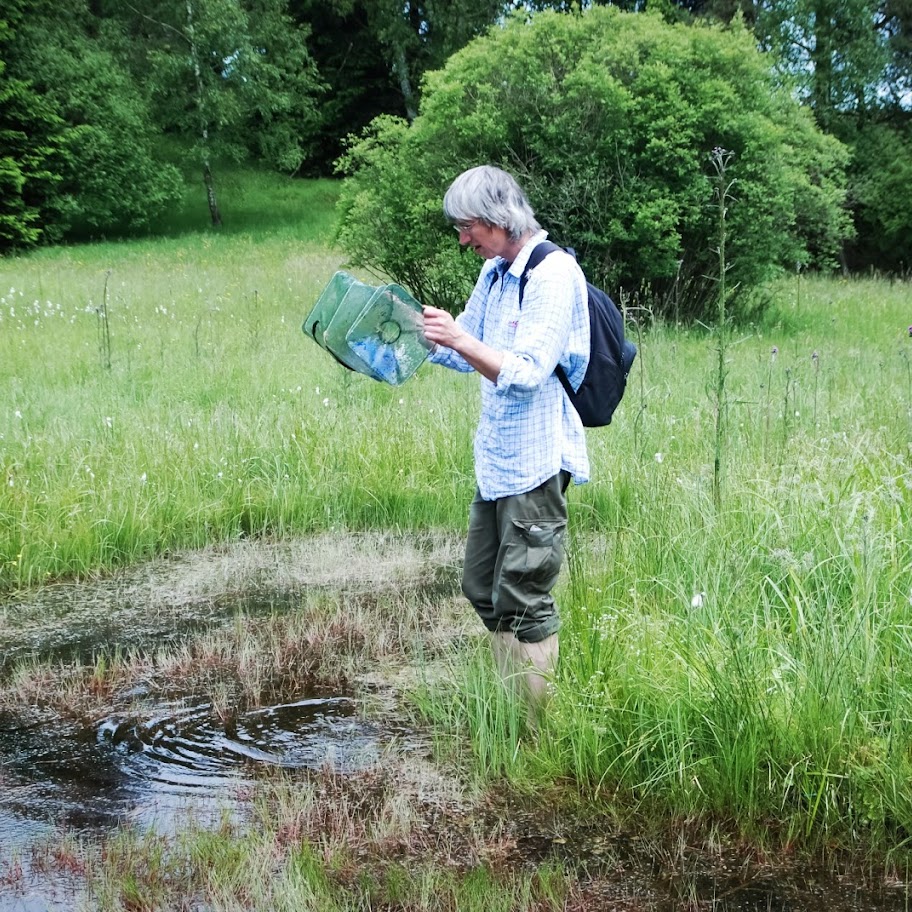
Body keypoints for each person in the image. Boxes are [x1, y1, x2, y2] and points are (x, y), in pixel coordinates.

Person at [422, 165, 590, 717]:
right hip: (497, 462)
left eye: (468, 226)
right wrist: (419, 334)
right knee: (483, 588)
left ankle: (534, 728)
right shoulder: (494, 273)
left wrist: (462, 339)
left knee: (525, 599)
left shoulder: (554, 275)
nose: (463, 238)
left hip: (537, 463)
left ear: (499, 218)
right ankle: (506, 705)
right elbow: (463, 350)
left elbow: (525, 371)